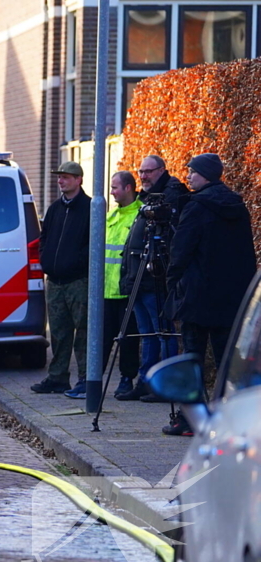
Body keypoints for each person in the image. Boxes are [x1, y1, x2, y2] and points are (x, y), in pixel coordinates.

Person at [163, 153, 257, 436]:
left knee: (192, 359)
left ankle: (190, 420)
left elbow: (181, 249)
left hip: (197, 297)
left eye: (192, 172)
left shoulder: (197, 206)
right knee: (225, 361)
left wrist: (172, 281)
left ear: (206, 175)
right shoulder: (237, 206)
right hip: (230, 298)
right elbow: (246, 254)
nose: (188, 176)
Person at [116, 156, 187, 402]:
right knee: (146, 334)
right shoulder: (146, 199)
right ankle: (146, 382)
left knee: (162, 333)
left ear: (162, 170)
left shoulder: (171, 196)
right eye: (141, 172)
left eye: (148, 171)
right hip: (138, 278)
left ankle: (165, 386)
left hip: (154, 280)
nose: (143, 176)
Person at [31, 161, 91, 397]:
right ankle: (57, 378)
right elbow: (44, 238)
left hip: (78, 281)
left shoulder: (89, 208)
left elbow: (92, 243)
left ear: (78, 180)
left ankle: (87, 379)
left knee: (84, 331)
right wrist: (46, 261)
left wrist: (76, 264)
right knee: (58, 332)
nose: (60, 181)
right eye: (59, 177)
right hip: (54, 281)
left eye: (66, 177)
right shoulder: (55, 208)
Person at [102, 171, 143, 399]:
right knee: (102, 338)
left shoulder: (139, 215)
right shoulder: (111, 216)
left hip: (127, 291)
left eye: (115, 187)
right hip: (106, 291)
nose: (111, 191)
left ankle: (127, 379)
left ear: (128, 188)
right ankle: (93, 380)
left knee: (128, 339)